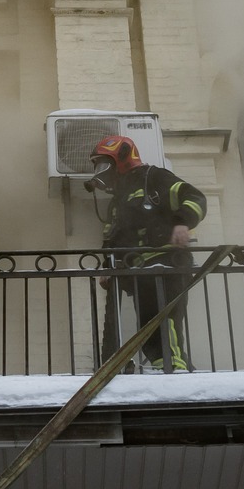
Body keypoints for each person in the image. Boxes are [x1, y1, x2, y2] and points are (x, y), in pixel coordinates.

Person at [91, 134, 206, 373]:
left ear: (123, 156)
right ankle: (167, 367)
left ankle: (174, 369)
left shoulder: (154, 177)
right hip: (138, 273)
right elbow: (112, 238)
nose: (103, 172)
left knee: (165, 321)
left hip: (166, 265)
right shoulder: (117, 200)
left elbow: (194, 197)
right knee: (149, 327)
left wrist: (182, 223)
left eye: (105, 164)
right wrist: (107, 267)